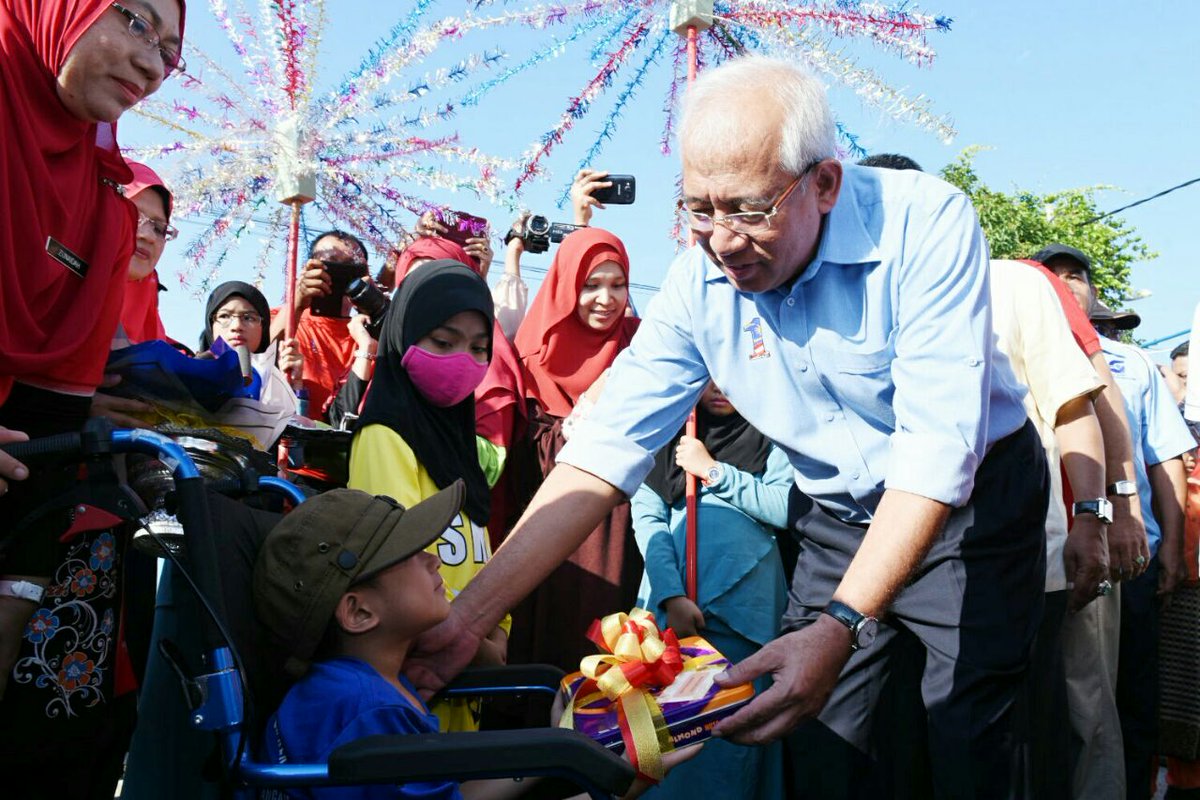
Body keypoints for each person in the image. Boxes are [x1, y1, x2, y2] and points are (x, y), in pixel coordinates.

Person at [408, 56, 1050, 799]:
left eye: (748, 209)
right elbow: (600, 456)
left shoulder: (925, 223)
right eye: (698, 209)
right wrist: (466, 620)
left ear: (825, 184)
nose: (721, 240)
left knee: (967, 739)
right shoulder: (698, 281)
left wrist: (840, 623)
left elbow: (937, 453)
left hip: (970, 514)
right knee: (819, 744)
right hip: (839, 519)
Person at [0, 0, 186, 791]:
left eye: (170, 51)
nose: (151, 63)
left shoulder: (98, 203)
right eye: (134, 21)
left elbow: (53, 403)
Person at [256, 487, 694, 800]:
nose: (431, 557)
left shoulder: (366, 683)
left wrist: (556, 743)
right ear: (359, 613)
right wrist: (615, 787)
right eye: (407, 555)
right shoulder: (368, 708)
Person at [348, 260, 509, 731]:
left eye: (480, 348)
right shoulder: (386, 436)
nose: (463, 360)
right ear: (402, 336)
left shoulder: (463, 450)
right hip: (413, 686)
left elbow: (483, 556)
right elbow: (397, 571)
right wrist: (479, 642)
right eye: (443, 341)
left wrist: (493, 630)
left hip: (464, 682)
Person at [988, 259, 1110, 798]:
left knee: (1031, 738)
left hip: (1025, 559)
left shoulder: (1014, 284)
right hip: (902, 570)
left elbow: (1078, 408)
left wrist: (1098, 516)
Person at [632, 381, 789, 800]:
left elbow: (785, 506)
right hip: (674, 618)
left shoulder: (774, 432)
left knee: (733, 740)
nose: (721, 388)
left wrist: (713, 471)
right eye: (710, 376)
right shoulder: (667, 437)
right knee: (671, 739)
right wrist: (671, 595)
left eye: (731, 375)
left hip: (747, 617)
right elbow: (648, 522)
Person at [507, 226, 643, 677]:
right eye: (591, 285)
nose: (606, 298)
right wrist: (582, 417)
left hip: (626, 526)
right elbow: (524, 456)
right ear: (567, 287)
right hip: (551, 527)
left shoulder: (641, 348)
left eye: (617, 284)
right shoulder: (531, 356)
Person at [268, 230, 370, 421]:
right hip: (293, 442)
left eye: (349, 267)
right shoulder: (283, 316)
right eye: (328, 262)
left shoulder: (368, 329)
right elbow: (259, 356)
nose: (338, 271)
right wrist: (296, 300)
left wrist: (372, 304)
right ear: (308, 268)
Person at [118, 160, 175, 344]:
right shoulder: (54, 291)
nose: (148, 236)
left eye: (159, 229)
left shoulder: (162, 346)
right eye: (134, 216)